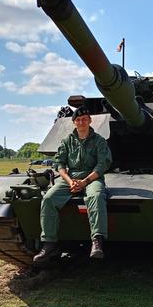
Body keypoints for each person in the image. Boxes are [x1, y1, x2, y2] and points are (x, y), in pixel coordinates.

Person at [33, 106, 113, 264]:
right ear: (74, 122)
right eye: (78, 120)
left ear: (90, 121)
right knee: (48, 198)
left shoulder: (99, 141)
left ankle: (97, 242)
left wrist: (84, 182)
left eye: (84, 119)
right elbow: (60, 164)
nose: (81, 122)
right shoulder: (67, 141)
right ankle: (49, 244)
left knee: (96, 197)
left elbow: (102, 165)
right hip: (71, 178)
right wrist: (70, 182)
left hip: (92, 178)